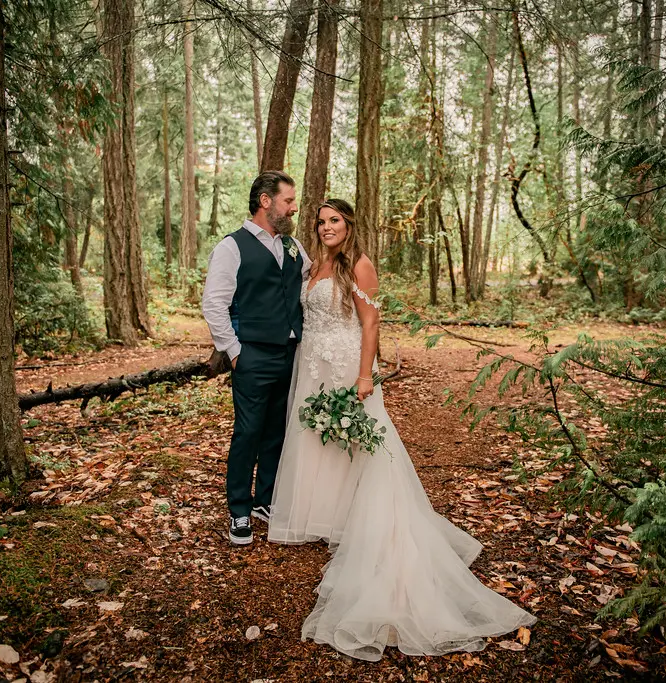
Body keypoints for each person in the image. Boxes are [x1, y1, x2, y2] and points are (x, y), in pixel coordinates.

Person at [268, 199, 536, 661]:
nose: (326, 227)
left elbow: (371, 321)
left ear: (349, 224)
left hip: (348, 365)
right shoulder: (314, 264)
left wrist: (365, 375)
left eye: (334, 220)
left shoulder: (360, 264)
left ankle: (370, 521)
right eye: (321, 221)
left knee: (362, 442)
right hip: (312, 364)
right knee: (319, 439)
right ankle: (328, 517)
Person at [202, 171, 311, 546]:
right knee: (248, 432)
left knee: (277, 431)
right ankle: (239, 510)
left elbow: (310, 282)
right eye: (288, 200)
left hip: (290, 354)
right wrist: (234, 352)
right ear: (266, 201)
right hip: (252, 356)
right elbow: (214, 304)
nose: (293, 207)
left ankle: (265, 501)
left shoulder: (294, 246)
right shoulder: (231, 247)